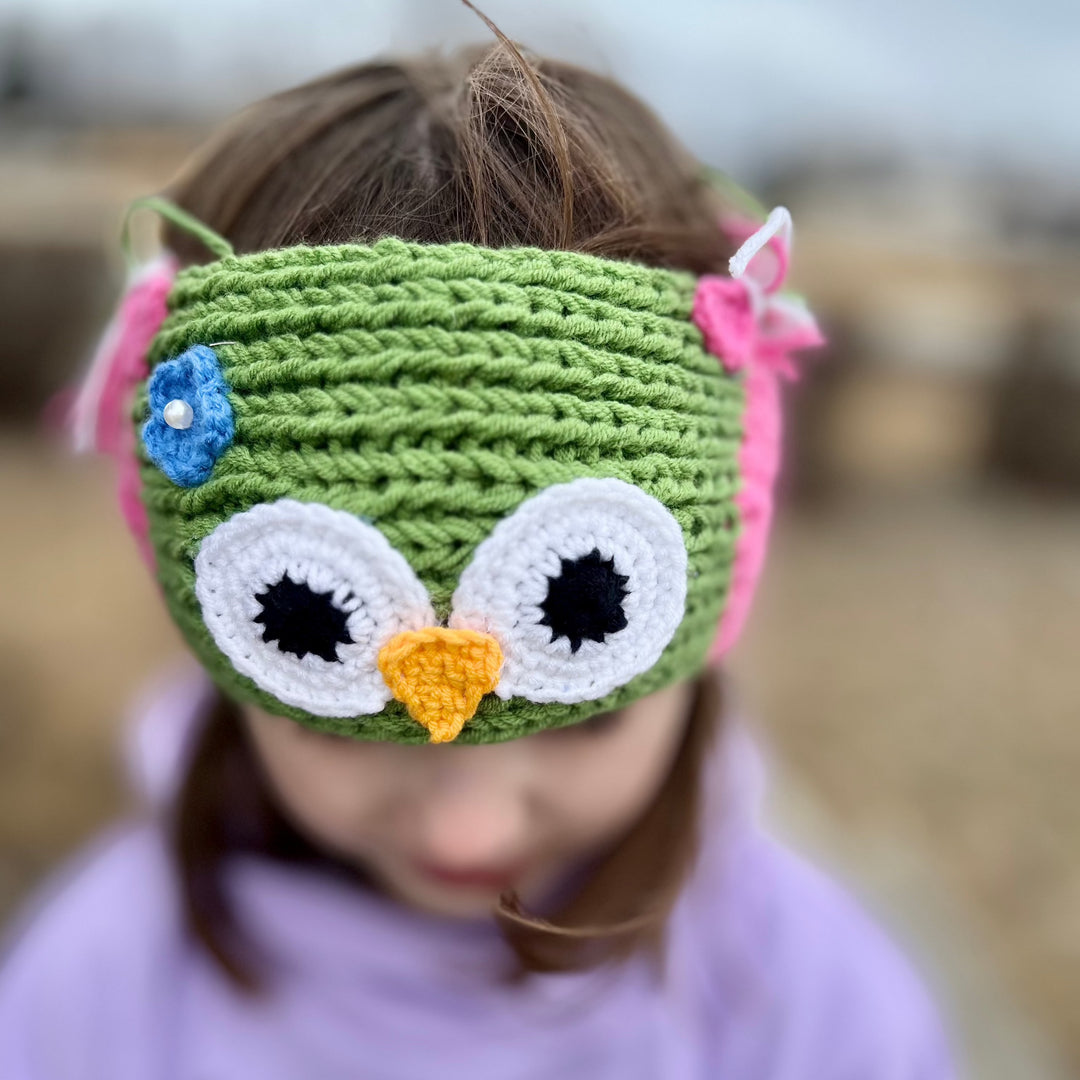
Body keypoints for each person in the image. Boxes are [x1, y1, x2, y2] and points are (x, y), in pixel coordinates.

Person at [0, 28, 954, 1080]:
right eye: (352, 727)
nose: (468, 829)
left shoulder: (810, 1005)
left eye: (591, 713)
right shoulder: (91, 997)